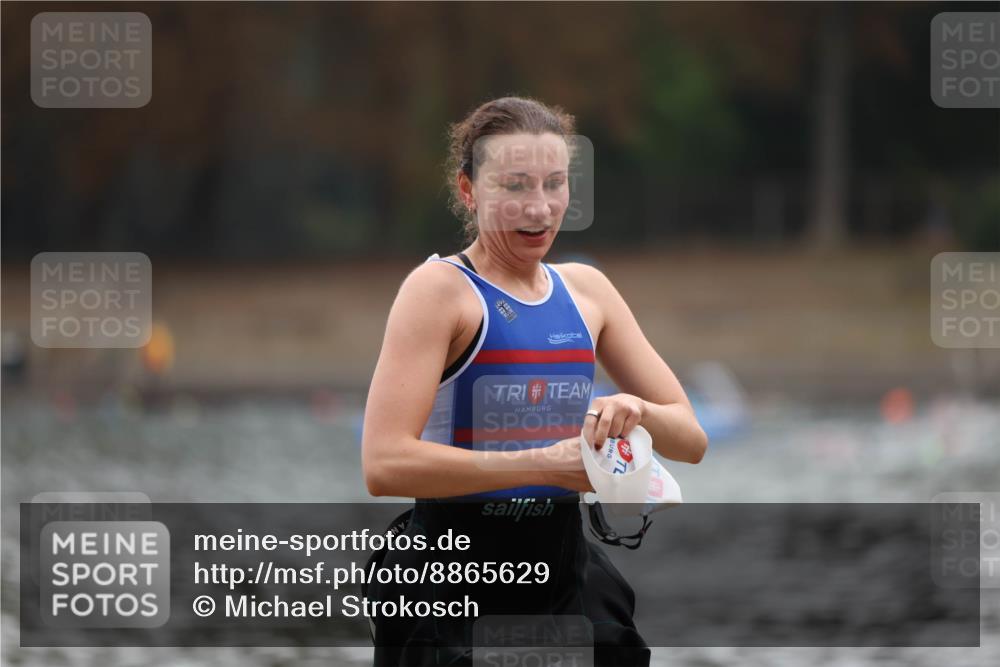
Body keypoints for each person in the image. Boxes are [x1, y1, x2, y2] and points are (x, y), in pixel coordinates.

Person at [361, 96, 708, 666]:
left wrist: (634, 411)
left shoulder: (588, 290)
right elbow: (383, 465)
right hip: (452, 584)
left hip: (564, 579)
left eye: (555, 184)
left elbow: (690, 440)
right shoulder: (439, 291)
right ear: (469, 190)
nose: (541, 208)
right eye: (516, 185)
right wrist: (547, 466)